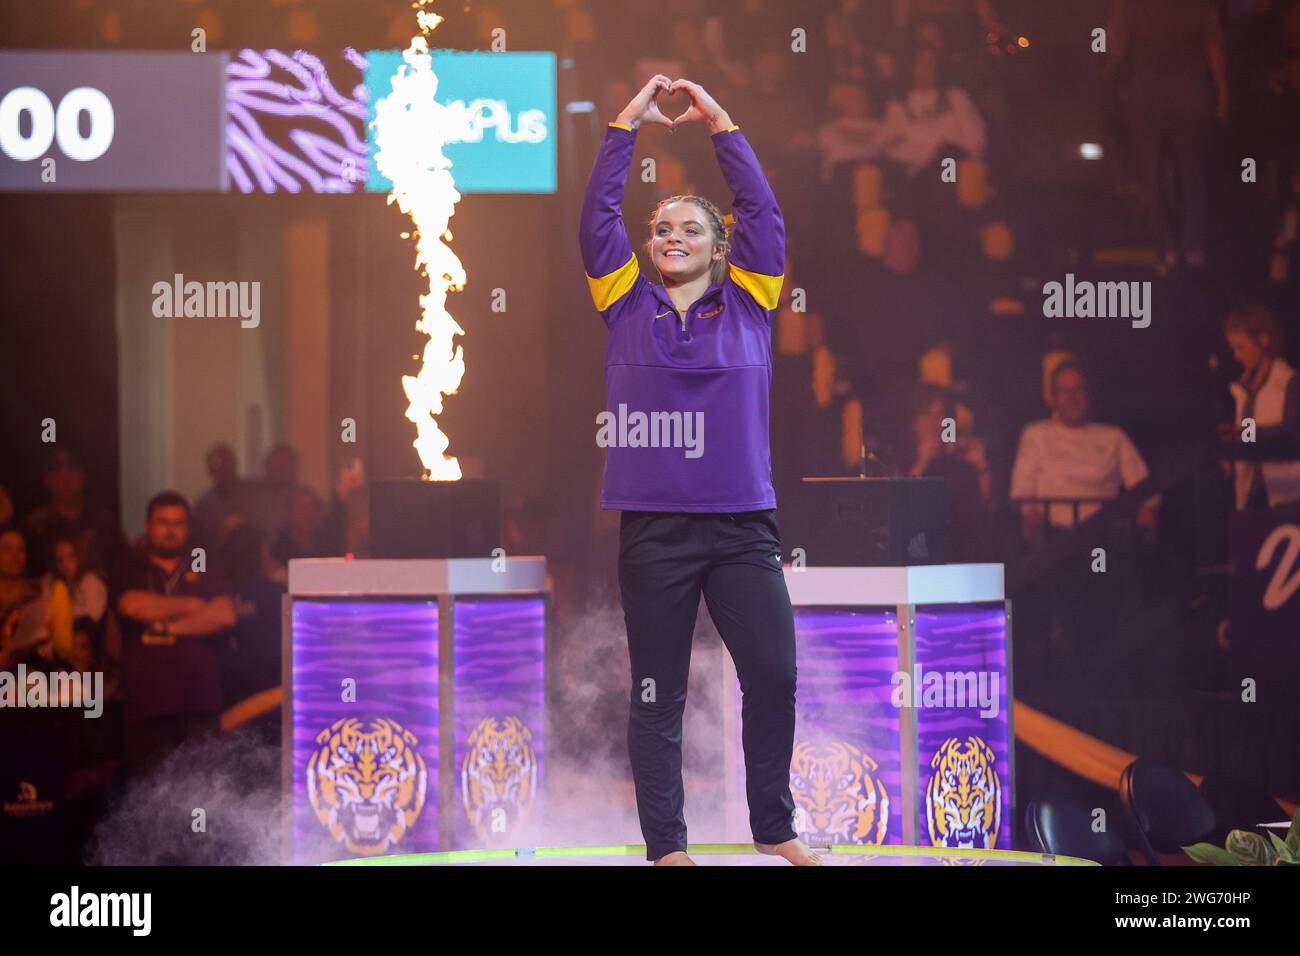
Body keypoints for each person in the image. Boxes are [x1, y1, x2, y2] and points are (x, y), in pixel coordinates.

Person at [580, 75, 820, 866]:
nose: (672, 236)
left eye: (690, 227)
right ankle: (667, 849)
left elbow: (764, 213)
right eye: (662, 228)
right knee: (658, 694)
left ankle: (775, 827)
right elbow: (595, 220)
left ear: (721, 248)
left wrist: (719, 122)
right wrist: (626, 125)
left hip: (742, 526)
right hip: (653, 529)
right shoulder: (623, 301)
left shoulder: (751, 300)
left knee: (775, 674)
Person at [114, 491, 236, 776]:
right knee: (146, 802)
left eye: (178, 523)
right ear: (148, 525)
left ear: (188, 528)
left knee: (202, 798)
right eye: (163, 522)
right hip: (147, 707)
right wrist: (195, 606)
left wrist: (167, 626)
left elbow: (224, 615)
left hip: (199, 704)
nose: (170, 530)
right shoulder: (128, 567)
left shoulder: (204, 566)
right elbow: (132, 605)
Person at [1010, 361, 1158, 541]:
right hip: (1053, 537)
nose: (1072, 398)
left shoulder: (1113, 436)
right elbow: (1022, 490)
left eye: (1078, 390)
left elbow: (1145, 484)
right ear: (1054, 398)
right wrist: (1030, 516)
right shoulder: (1035, 434)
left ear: (1088, 395)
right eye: (1065, 392)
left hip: (1104, 534)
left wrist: (1146, 509)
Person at [1219, 305, 1300, 510]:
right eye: (1233, 349)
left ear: (1263, 340)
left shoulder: (1289, 383)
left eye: (1241, 347)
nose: (1237, 355)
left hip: (1286, 495)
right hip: (1250, 493)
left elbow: (1292, 433)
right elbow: (1249, 438)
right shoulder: (1244, 390)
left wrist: (1245, 431)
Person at [24, 448, 126, 579]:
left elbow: (123, 566)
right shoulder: (35, 525)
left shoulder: (104, 522)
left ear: (82, 477)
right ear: (47, 481)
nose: (66, 481)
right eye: (58, 476)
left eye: (71, 474)